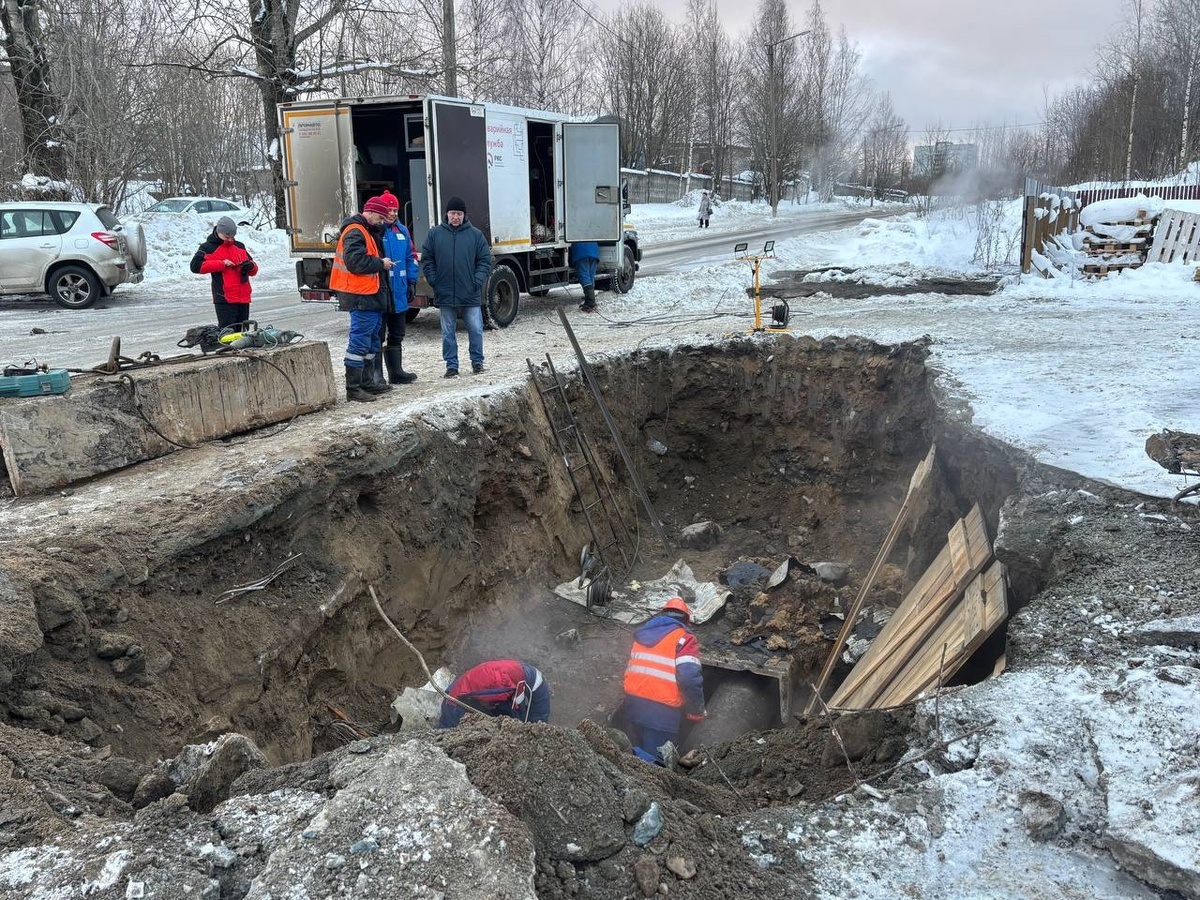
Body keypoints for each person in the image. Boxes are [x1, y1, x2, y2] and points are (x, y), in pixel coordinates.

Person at [622, 597, 706, 765]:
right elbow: (689, 678)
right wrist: (696, 710)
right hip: (661, 712)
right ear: (685, 620)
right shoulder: (684, 638)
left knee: (638, 757)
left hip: (633, 705)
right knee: (657, 765)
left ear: (662, 615)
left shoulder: (642, 634)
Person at [329, 195, 396, 402]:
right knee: (359, 341)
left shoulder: (366, 230)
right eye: (381, 218)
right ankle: (354, 388)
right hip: (361, 295)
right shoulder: (355, 231)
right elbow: (355, 262)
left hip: (370, 294)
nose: (382, 222)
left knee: (371, 340)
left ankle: (367, 383)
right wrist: (380, 263)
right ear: (371, 212)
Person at [420, 195, 492, 377]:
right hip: (444, 292)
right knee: (447, 331)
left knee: (475, 329)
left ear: (464, 215)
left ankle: (477, 362)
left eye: (459, 214)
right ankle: (451, 365)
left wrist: (476, 281)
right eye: (452, 213)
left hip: (470, 292)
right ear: (447, 214)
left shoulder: (475, 235)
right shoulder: (435, 234)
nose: (455, 217)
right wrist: (433, 279)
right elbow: (427, 258)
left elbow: (485, 260)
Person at [378, 191, 420, 385]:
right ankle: (377, 376)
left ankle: (396, 372)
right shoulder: (376, 231)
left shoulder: (402, 231)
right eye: (389, 210)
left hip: (400, 291)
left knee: (397, 333)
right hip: (381, 291)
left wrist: (412, 281)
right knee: (377, 335)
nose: (393, 213)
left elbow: (410, 258)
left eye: (395, 210)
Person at [190, 216, 258, 330]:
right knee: (228, 333)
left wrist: (250, 266)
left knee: (243, 333)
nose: (230, 240)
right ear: (218, 232)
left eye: (232, 237)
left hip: (243, 297)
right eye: (227, 237)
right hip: (225, 298)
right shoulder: (208, 247)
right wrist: (222, 264)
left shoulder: (239, 246)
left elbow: (254, 270)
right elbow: (195, 267)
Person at [438, 659, 550, 728]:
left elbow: (538, 719)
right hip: (460, 700)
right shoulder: (453, 703)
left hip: (513, 684)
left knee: (532, 721)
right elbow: (447, 731)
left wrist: (535, 728)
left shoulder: (528, 680)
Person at [570, 241, 600, 313]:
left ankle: (590, 303)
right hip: (594, 250)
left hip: (581, 252)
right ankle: (590, 299)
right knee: (590, 276)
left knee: (584, 276)